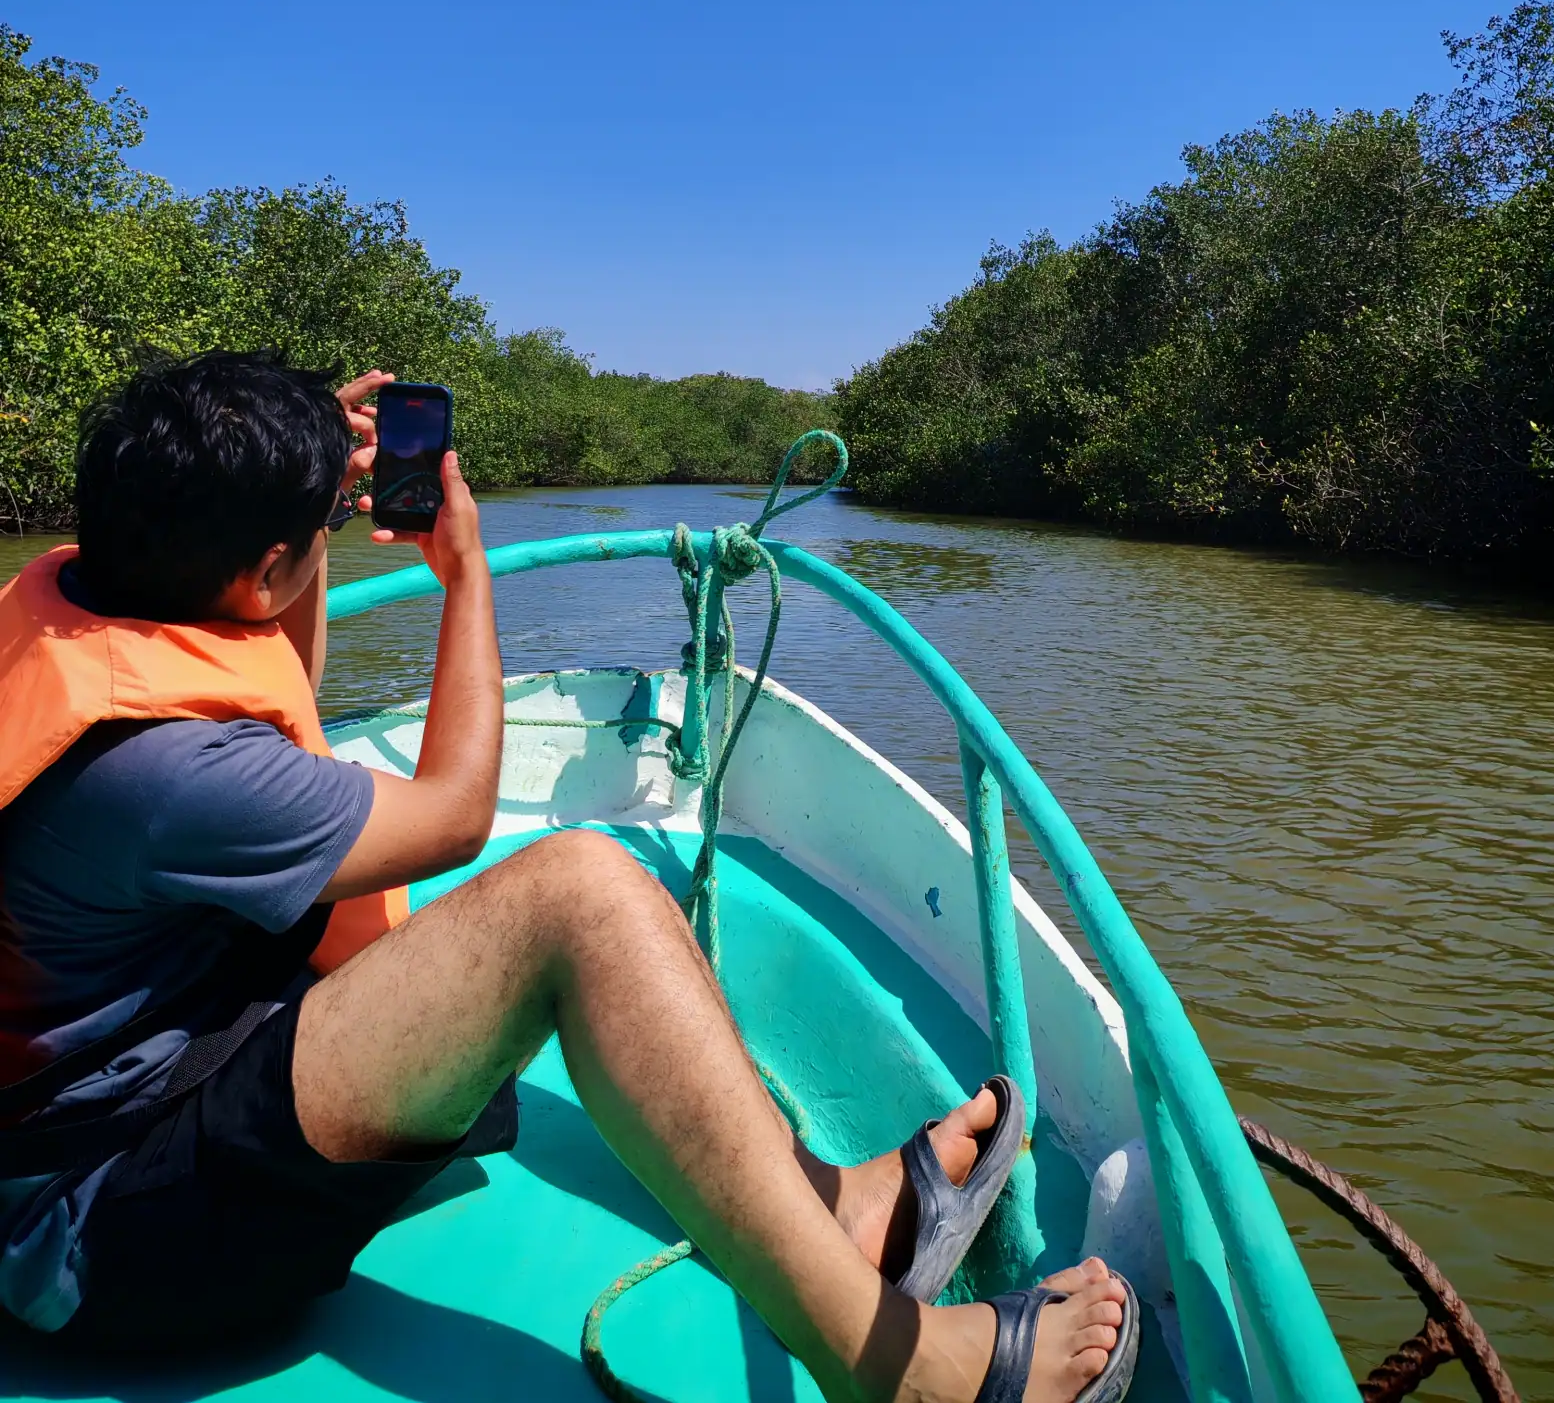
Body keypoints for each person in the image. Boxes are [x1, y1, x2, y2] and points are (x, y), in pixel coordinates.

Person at [0, 350, 1128, 1400]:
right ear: (267, 568)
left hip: (137, 1090)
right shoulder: (167, 776)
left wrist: (290, 506)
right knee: (575, 895)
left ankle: (838, 1203)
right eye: (310, 537)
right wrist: (465, 572)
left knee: (523, 926)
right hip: (92, 1237)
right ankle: (898, 1366)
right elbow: (452, 817)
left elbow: (270, 685)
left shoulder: (65, 621)